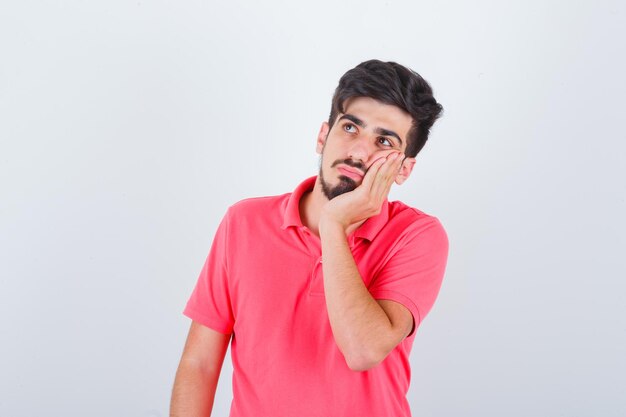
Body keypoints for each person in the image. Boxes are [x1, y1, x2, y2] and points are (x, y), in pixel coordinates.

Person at [170, 59, 448, 417]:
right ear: (323, 136)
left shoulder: (416, 236)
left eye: (383, 141)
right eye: (350, 127)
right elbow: (200, 364)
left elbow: (363, 349)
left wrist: (333, 225)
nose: (359, 151)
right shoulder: (244, 222)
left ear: (404, 169)